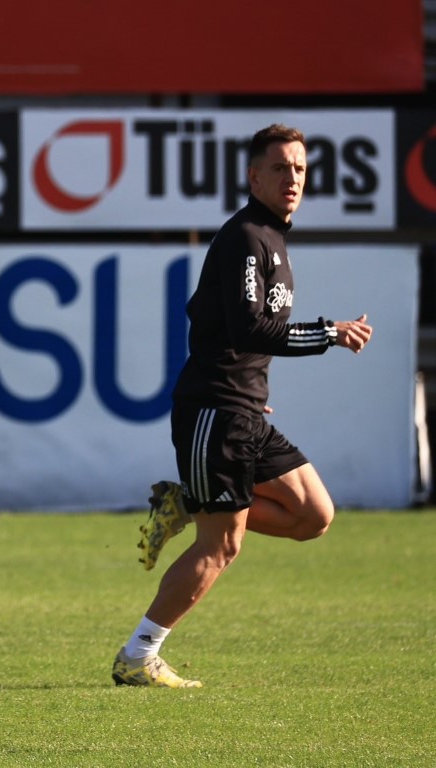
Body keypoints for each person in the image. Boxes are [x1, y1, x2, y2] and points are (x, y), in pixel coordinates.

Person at [116, 124, 373, 687]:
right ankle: (138, 655)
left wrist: (250, 387)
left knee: (313, 516)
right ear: (254, 176)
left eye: (300, 169)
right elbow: (250, 326)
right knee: (222, 545)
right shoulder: (244, 238)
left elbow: (211, 319)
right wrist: (330, 331)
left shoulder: (271, 239)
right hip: (216, 411)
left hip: (243, 408)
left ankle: (190, 501)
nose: (292, 178)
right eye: (280, 168)